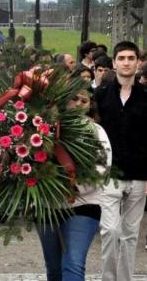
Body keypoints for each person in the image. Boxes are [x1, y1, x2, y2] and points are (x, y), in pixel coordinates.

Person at [36, 88, 111, 281]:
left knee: (73, 266)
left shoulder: (96, 131)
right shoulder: (42, 129)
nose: (78, 104)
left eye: (83, 101)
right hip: (48, 206)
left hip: (83, 205)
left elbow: (102, 168)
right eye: (73, 99)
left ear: (90, 104)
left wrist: (71, 186)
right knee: (54, 268)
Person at [95, 41, 147, 281]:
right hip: (109, 175)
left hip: (139, 176)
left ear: (138, 62)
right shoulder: (101, 95)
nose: (126, 62)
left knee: (130, 235)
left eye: (131, 58)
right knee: (110, 230)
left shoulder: (146, 97)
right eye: (122, 58)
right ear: (114, 63)